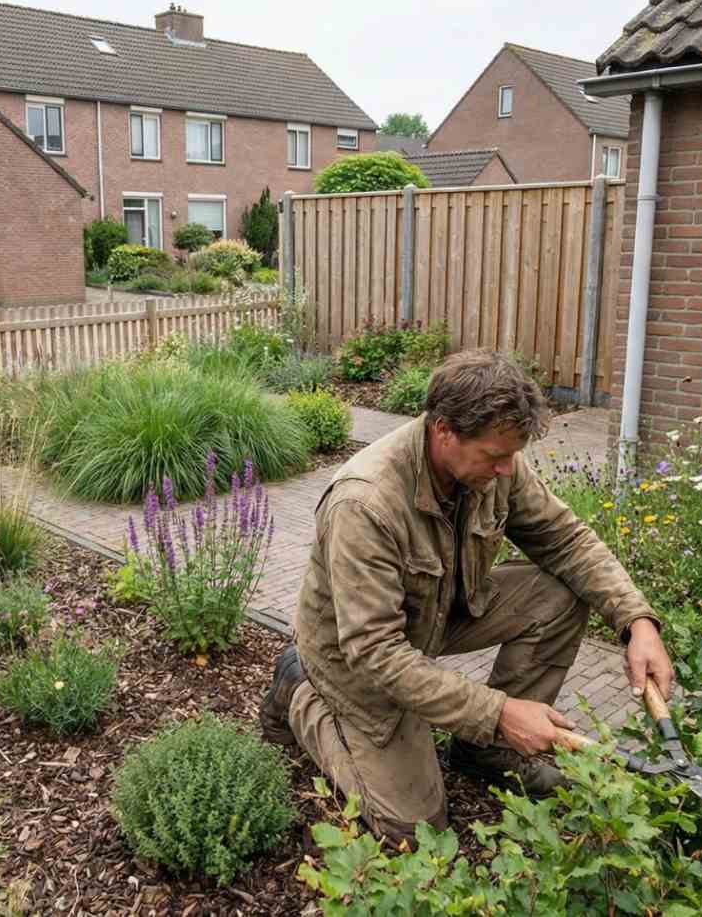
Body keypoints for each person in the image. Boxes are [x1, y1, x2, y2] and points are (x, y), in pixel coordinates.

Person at [259, 349, 673, 842]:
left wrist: (637, 623)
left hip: (440, 615)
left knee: (558, 594)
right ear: (443, 431)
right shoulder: (364, 503)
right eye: (495, 456)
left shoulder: (495, 464)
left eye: (512, 455)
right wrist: (496, 711)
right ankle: (299, 691)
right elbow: (374, 651)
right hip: (355, 658)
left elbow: (566, 539)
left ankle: (488, 751)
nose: (506, 470)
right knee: (413, 829)